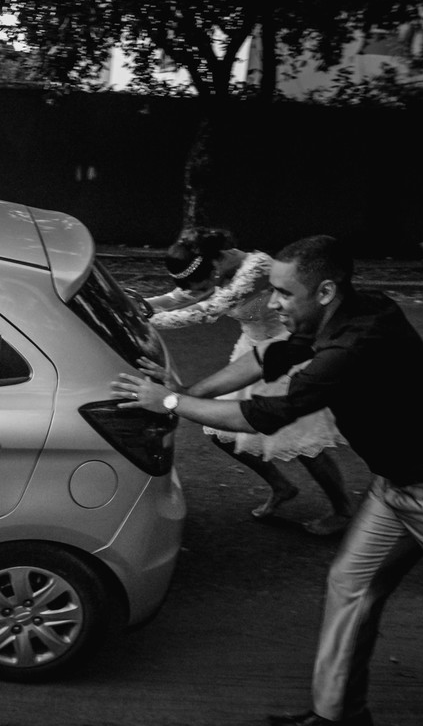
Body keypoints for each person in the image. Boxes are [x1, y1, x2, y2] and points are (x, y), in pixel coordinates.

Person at [111, 234, 423, 726]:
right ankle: (340, 717)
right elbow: (270, 356)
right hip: (395, 485)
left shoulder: (357, 344)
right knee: (351, 585)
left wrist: (170, 406)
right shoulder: (343, 313)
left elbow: (266, 415)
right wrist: (183, 393)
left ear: (325, 291)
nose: (275, 301)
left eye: (285, 293)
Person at [146, 228, 354, 535]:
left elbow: (209, 310)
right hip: (249, 352)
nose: (208, 284)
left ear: (216, 262)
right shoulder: (217, 269)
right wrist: (139, 303)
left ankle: (343, 509)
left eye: (207, 278)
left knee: (301, 442)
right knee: (219, 432)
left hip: (285, 350)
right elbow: (183, 295)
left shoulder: (258, 267)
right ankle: (281, 485)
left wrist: (148, 319)